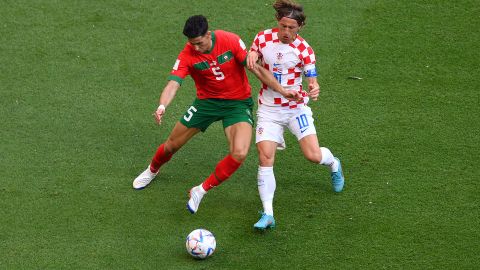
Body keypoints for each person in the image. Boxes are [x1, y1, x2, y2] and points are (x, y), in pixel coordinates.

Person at [132, 15, 300, 214]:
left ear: (208, 35)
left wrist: (282, 90)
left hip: (237, 105)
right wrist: (162, 106)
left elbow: (256, 69)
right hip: (206, 104)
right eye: (191, 43)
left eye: (199, 43)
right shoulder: (187, 54)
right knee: (171, 145)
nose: (195, 48)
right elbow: (173, 83)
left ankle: (200, 190)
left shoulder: (229, 40)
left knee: (239, 153)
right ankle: (152, 170)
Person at [246, 0, 345, 230]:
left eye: (291, 28)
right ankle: (268, 213)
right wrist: (251, 53)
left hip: (295, 108)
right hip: (269, 109)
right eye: (282, 26)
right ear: (277, 23)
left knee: (312, 155)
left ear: (300, 27)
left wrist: (314, 87)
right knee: (265, 157)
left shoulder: (304, 50)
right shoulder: (262, 38)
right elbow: (254, 52)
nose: (286, 32)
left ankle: (333, 164)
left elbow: (312, 79)